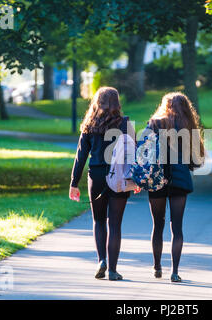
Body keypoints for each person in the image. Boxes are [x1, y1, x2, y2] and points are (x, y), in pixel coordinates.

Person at [69, 87, 134, 281]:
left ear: (97, 102)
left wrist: (74, 183)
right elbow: (133, 154)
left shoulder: (90, 124)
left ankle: (101, 261)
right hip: (119, 177)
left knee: (98, 220)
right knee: (115, 224)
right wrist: (134, 179)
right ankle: (113, 270)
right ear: (117, 103)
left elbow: (80, 155)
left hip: (96, 175)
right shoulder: (125, 123)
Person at [144, 92, 205, 282]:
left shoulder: (155, 123)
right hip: (180, 180)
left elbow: (143, 150)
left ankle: (156, 267)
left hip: (157, 178)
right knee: (176, 227)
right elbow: (197, 160)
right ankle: (175, 271)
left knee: (157, 224)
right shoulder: (188, 125)